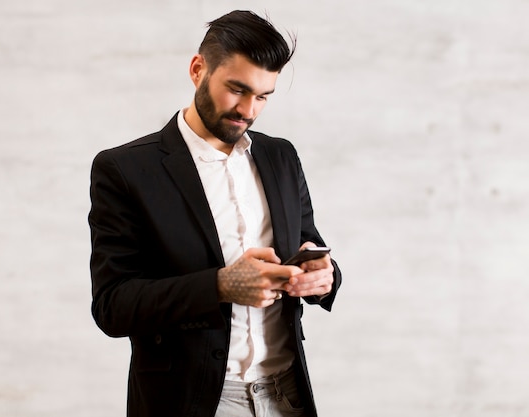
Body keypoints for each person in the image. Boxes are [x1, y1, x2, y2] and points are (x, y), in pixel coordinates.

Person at [88, 10, 342, 417]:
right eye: (236, 90)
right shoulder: (126, 170)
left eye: (262, 96)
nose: (249, 110)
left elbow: (309, 245)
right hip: (193, 400)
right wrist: (221, 286)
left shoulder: (281, 156)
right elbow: (113, 306)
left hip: (288, 394)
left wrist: (324, 277)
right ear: (197, 69)